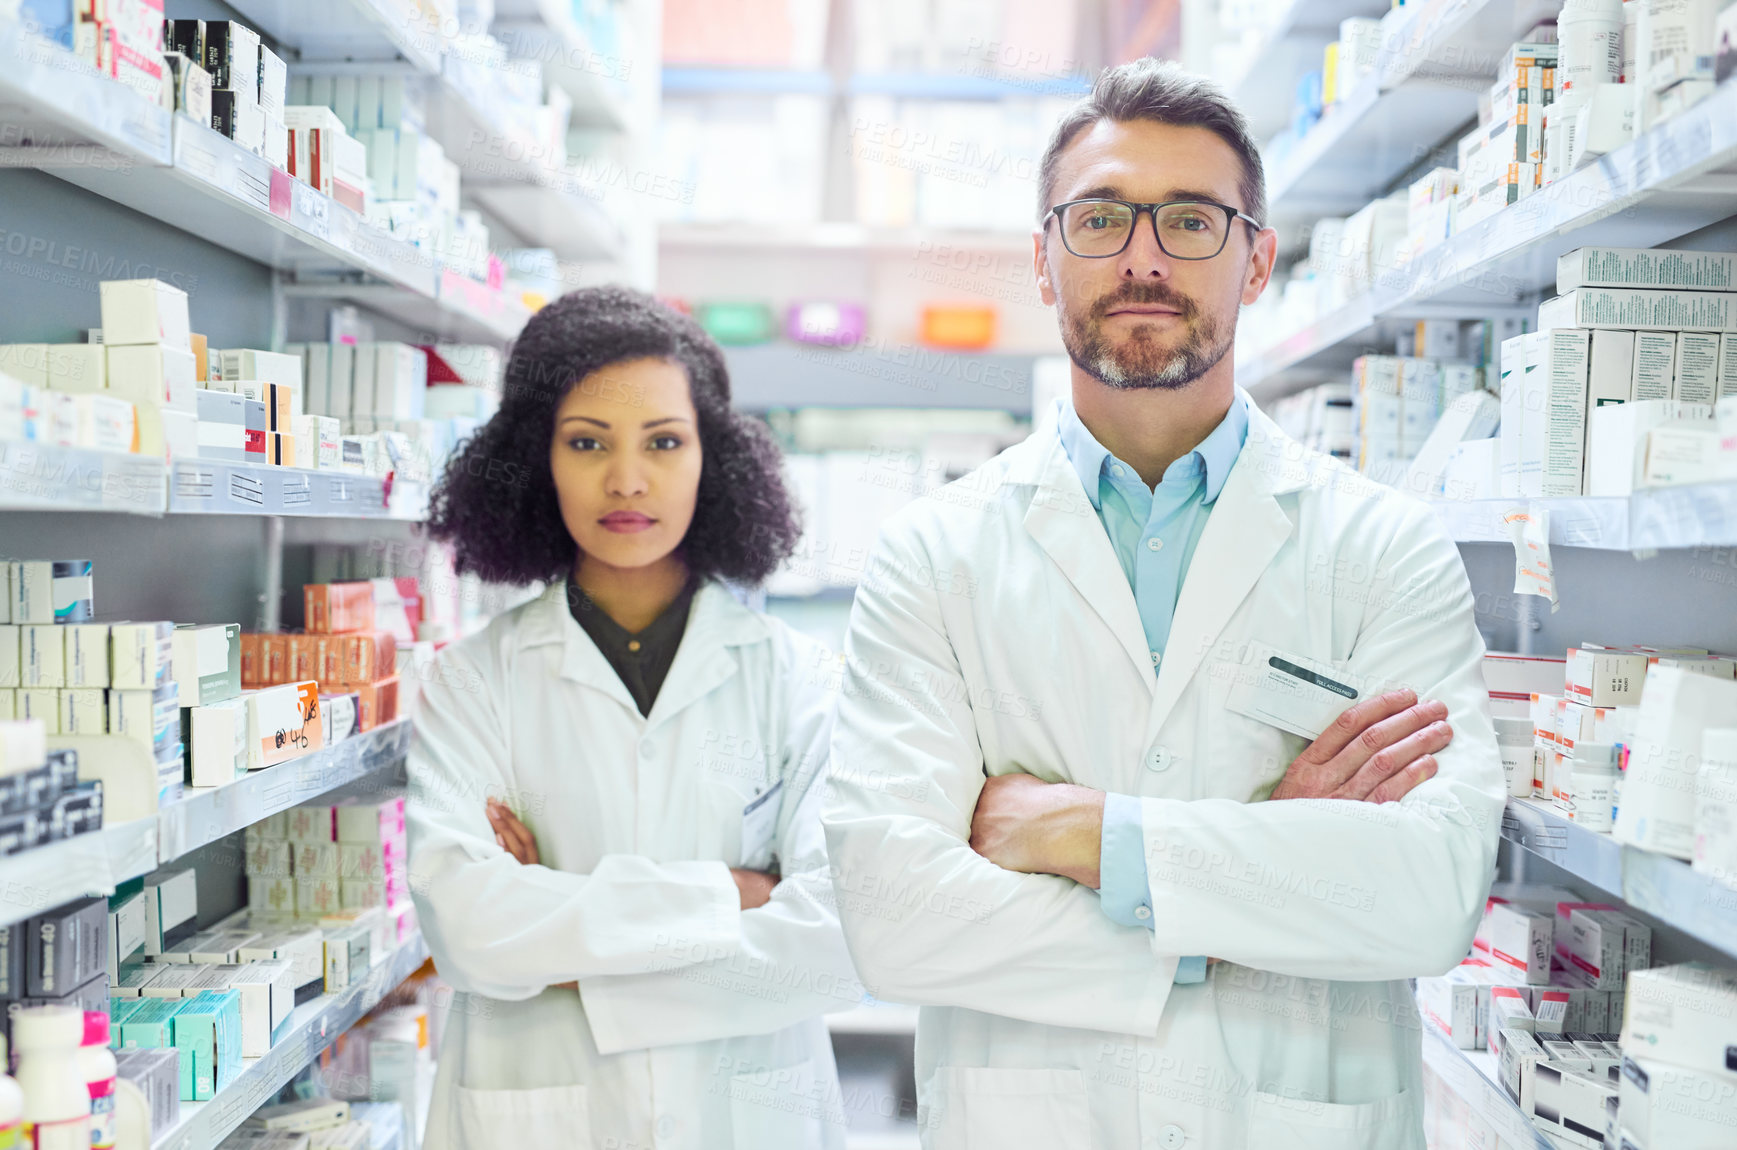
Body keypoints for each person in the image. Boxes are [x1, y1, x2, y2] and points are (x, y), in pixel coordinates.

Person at [822, 59, 1504, 1150]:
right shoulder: (933, 556)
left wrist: (1085, 835)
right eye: (1100, 219)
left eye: (1191, 219)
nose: (1143, 257)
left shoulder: (1384, 549)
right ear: (1043, 261)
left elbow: (1428, 893)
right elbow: (892, 918)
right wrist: (1242, 887)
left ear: (1258, 257)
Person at [408, 287, 858, 1150]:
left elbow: (837, 939)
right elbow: (468, 930)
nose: (626, 479)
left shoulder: (799, 682)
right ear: (536, 457)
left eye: (663, 442)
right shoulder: (472, 682)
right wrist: (734, 893)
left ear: (711, 459)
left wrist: (560, 947)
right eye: (586, 443)